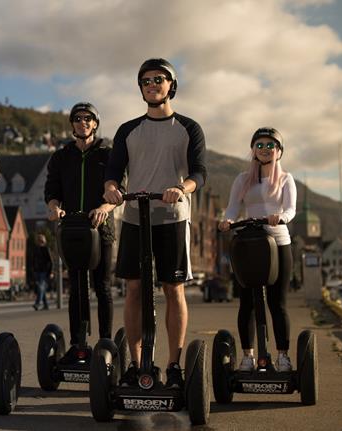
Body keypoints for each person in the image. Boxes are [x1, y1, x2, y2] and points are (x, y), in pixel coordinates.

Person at [104, 58, 207, 389]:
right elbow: (113, 174)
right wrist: (112, 189)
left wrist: (182, 188)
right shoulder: (127, 130)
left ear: (171, 85)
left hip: (172, 217)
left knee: (172, 288)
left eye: (159, 79)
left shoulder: (188, 128)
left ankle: (174, 365)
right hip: (135, 216)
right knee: (133, 288)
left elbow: (199, 172)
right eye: (146, 80)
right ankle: (136, 366)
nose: (152, 84)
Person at [218, 127, 297, 372]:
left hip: (278, 243)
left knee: (277, 302)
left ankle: (283, 356)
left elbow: (291, 209)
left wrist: (280, 216)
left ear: (279, 151)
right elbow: (232, 208)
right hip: (250, 243)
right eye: (259, 145)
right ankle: (248, 356)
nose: (264, 149)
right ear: (253, 150)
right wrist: (227, 221)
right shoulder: (243, 179)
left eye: (270, 145)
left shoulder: (286, 179)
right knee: (248, 303)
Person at [44, 102, 116, 363]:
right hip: (73, 230)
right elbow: (52, 191)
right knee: (76, 287)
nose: (82, 122)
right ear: (72, 124)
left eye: (88, 118)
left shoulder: (108, 155)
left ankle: (105, 343)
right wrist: (55, 209)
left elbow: (118, 191)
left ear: (95, 123)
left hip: (100, 229)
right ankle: (78, 344)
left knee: (102, 286)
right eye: (77, 118)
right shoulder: (62, 156)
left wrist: (103, 208)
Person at [31, 234, 52, 311]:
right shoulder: (36, 249)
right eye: (39, 241)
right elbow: (33, 260)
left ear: (44, 241)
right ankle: (46, 305)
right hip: (37, 271)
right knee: (41, 288)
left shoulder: (46, 249)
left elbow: (50, 261)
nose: (40, 242)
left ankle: (37, 303)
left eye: (42, 241)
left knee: (41, 288)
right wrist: (33, 269)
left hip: (44, 271)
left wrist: (49, 272)